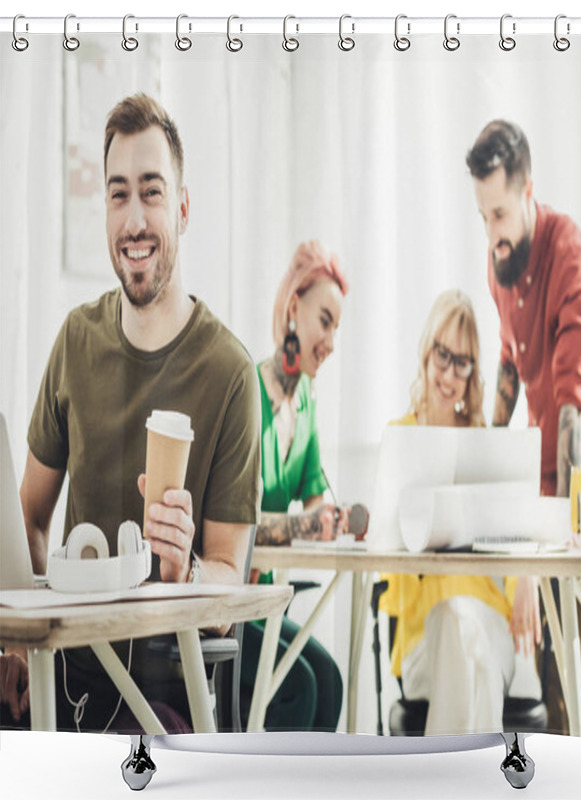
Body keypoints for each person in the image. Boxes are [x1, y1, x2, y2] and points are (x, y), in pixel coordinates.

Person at [0, 93, 261, 734]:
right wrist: (21, 644)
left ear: (183, 208)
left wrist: (185, 567)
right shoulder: (76, 341)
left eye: (151, 192)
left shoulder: (230, 372)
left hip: (161, 693)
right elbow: (29, 521)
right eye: (119, 195)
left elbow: (229, 587)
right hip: (60, 672)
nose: (135, 219)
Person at [466, 119, 581, 736]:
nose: (492, 234)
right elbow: (510, 358)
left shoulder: (570, 254)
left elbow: (569, 402)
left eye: (500, 215)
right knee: (551, 665)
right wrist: (479, 450)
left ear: (529, 189)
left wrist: (550, 533)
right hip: (541, 477)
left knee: (571, 657)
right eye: (482, 218)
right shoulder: (499, 262)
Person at [380, 289, 542, 736]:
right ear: (427, 350)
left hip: (489, 624)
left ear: (473, 372)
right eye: (443, 355)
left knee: (469, 631)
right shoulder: (401, 439)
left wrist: (527, 570)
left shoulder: (484, 444)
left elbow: (516, 530)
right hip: (420, 643)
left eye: (462, 361)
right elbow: (383, 548)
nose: (449, 373)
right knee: (459, 631)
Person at [240, 240, 348, 732]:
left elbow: (315, 498)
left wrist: (335, 518)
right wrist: (308, 523)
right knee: (301, 686)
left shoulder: (305, 402)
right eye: (324, 321)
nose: (330, 340)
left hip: (266, 606)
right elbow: (240, 526)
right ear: (292, 308)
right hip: (231, 606)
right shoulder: (246, 394)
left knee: (329, 679)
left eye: (335, 328)